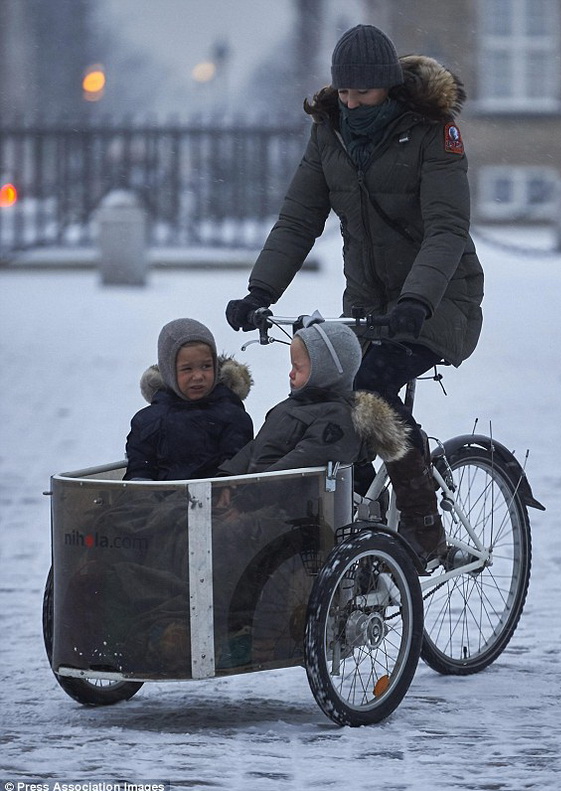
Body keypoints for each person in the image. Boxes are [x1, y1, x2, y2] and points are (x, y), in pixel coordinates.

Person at [225, 24, 484, 570]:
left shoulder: (434, 132)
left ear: (388, 86)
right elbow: (300, 218)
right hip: (368, 304)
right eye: (343, 91)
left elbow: (446, 230)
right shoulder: (330, 132)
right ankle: (362, 516)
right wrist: (259, 291)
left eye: (362, 92)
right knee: (333, 397)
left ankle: (424, 526)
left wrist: (417, 300)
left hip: (439, 300)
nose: (350, 101)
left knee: (372, 387)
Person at [220, 317, 410, 476]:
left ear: (326, 372)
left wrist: (246, 498)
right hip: (258, 500)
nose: (290, 374)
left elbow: (297, 468)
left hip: (286, 510)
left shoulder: (338, 419)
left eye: (298, 367)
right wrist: (225, 481)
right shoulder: (292, 406)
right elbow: (256, 448)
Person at [124, 317, 254, 481]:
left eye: (206, 366)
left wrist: (227, 492)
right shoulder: (148, 420)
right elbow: (140, 470)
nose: (198, 376)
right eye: (187, 369)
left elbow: (236, 465)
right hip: (157, 500)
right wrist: (142, 500)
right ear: (169, 372)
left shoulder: (232, 415)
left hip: (215, 500)